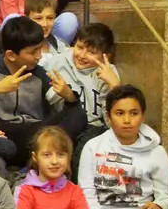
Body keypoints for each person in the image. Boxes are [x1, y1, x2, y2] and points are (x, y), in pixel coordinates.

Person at [0, 16, 88, 167]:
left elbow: (60, 106)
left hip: (34, 135)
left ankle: (33, 163)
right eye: (33, 52)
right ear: (11, 55)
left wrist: (68, 96)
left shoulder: (39, 74)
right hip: (1, 134)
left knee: (78, 114)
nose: (39, 56)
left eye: (40, 49)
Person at [78, 84, 168, 209]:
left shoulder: (156, 151)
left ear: (142, 116)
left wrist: (160, 206)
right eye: (119, 113)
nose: (127, 120)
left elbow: (165, 196)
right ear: (108, 117)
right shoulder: (93, 147)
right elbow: (86, 193)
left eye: (134, 113)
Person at [40, 21, 121, 157]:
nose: (82, 55)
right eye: (79, 47)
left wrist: (115, 87)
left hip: (93, 127)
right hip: (64, 122)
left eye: (91, 52)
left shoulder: (108, 72)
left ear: (105, 55)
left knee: (86, 149)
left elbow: (112, 123)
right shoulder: (58, 63)